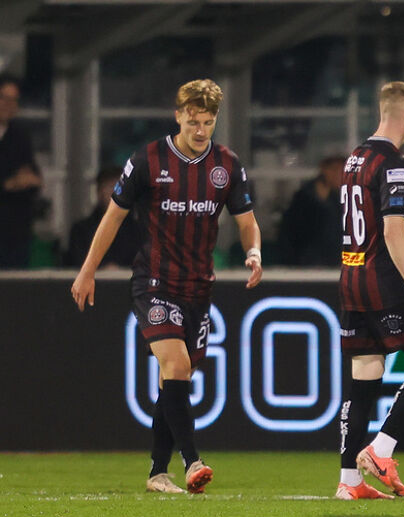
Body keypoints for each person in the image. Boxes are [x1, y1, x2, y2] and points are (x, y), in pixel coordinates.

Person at [71, 79, 262, 493]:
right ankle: (193, 461)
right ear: (178, 116)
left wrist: (254, 253)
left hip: (199, 287)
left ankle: (158, 472)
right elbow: (113, 217)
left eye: (208, 122)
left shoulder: (226, 165)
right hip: (154, 283)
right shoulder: (149, 159)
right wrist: (88, 270)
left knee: (175, 379)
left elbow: (247, 223)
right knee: (175, 366)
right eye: (193, 121)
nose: (200, 131)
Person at [335, 81, 404, 501]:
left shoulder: (355, 157)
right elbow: (394, 230)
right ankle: (381, 448)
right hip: (384, 284)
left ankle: (349, 482)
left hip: (351, 280)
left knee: (363, 381)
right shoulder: (394, 164)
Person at [0, 74, 42, 268]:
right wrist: (8, 184)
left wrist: (29, 181)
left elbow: (33, 176)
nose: (9, 104)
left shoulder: (20, 135)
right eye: (4, 98)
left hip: (15, 232)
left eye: (14, 100)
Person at [275, 156, 345, 265]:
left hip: (333, 265)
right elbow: (293, 235)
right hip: (305, 266)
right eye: (334, 169)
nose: (338, 174)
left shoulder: (340, 200)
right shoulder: (304, 199)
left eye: (343, 170)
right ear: (324, 169)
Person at [66, 166, 141, 268]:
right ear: (99, 192)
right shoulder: (81, 230)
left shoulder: (139, 231)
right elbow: (77, 262)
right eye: (110, 187)